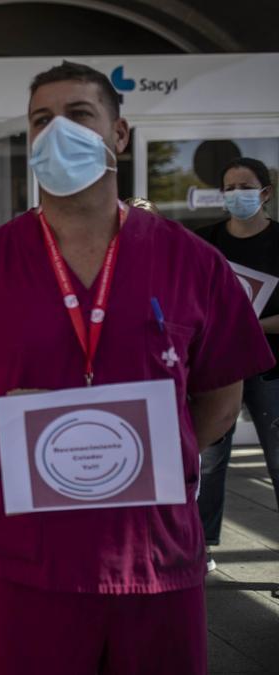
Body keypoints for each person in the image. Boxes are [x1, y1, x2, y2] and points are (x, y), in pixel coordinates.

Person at [0, 61, 273, 674]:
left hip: (154, 558)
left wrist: (152, 454)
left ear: (120, 134)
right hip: (29, 560)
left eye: (78, 115)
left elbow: (221, 400)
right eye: (41, 121)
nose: (58, 132)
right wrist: (13, 457)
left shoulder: (192, 262)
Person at [196, 157, 279, 572]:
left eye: (244, 187)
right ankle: (201, 546)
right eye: (229, 187)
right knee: (208, 461)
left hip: (271, 369)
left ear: (265, 193)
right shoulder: (204, 242)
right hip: (219, 367)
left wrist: (248, 327)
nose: (235, 195)